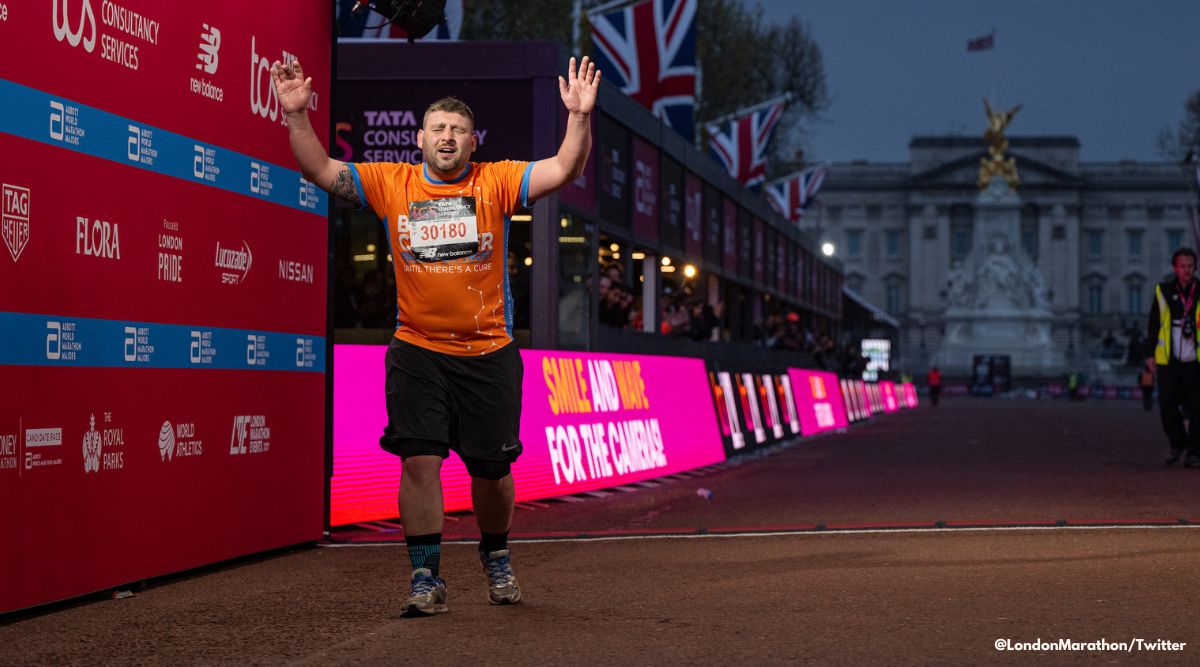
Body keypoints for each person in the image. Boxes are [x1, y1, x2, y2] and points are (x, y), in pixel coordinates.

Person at [272, 56, 600, 616]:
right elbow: (321, 170)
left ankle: (495, 554)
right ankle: (426, 575)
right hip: (417, 350)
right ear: (420, 138)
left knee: (492, 472)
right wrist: (298, 116)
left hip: (489, 353)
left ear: (474, 142)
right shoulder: (389, 182)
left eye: (459, 131)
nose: (448, 138)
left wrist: (578, 119)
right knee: (418, 461)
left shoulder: (494, 181)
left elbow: (565, 168)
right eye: (439, 129)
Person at [1146, 247, 1200, 467]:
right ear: (1175, 268)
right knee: (1167, 405)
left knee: (1197, 408)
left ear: (1195, 268)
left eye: (1190, 266)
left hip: (1195, 360)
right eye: (1182, 266)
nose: (1186, 270)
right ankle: (1177, 443)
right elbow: (1154, 324)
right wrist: (1150, 354)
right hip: (1169, 359)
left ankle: (1195, 452)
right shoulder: (1164, 290)